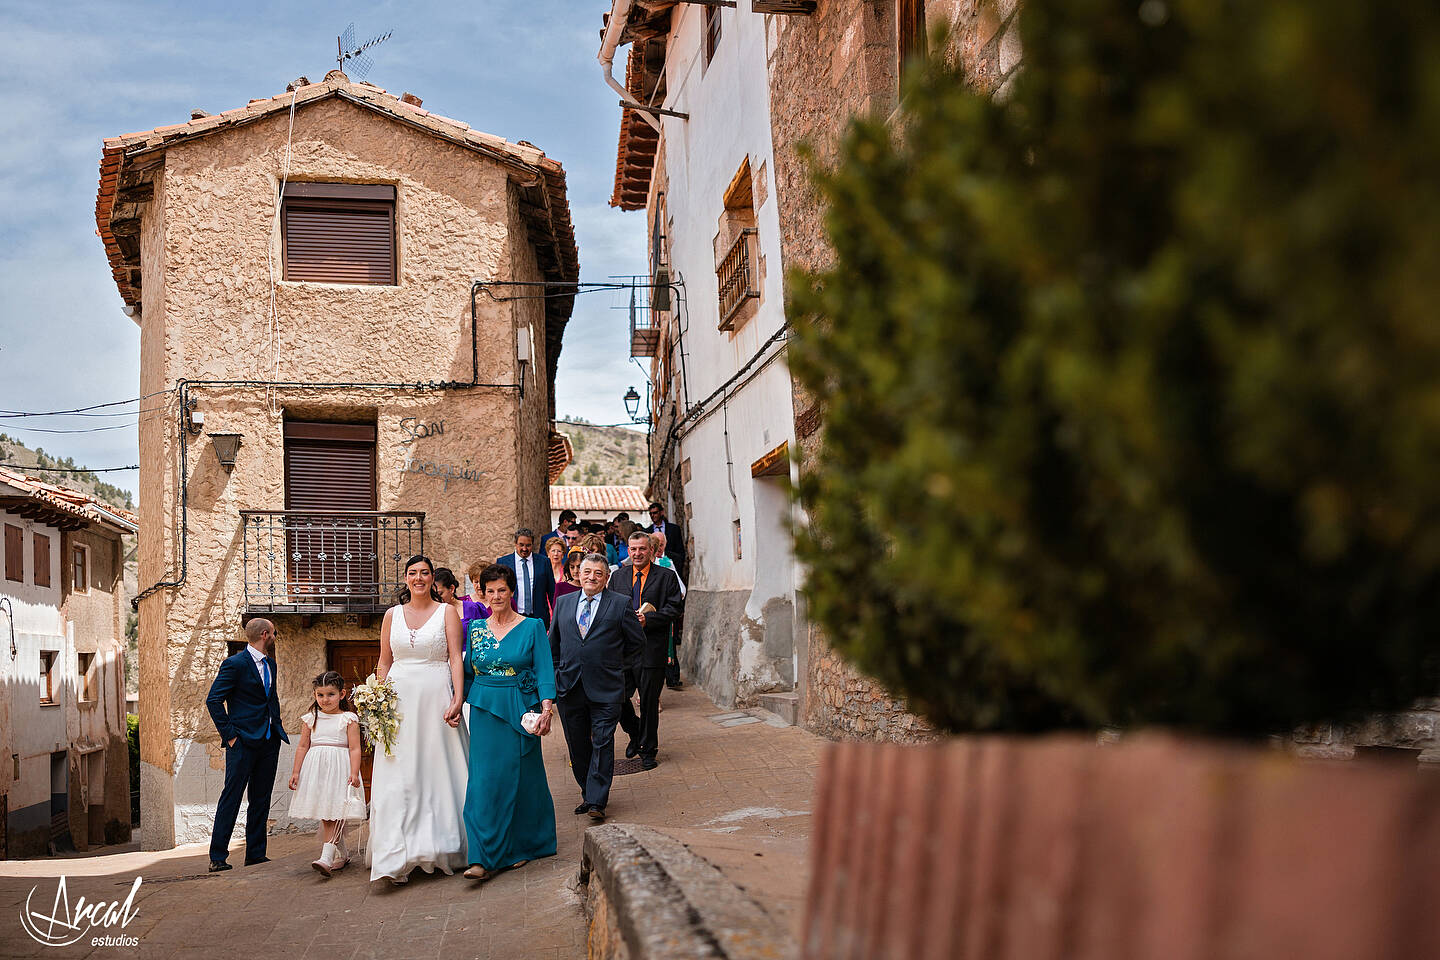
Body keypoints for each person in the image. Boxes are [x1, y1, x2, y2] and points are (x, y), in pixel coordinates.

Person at [369, 555, 470, 884]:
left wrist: (458, 697)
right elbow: (384, 662)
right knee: (401, 773)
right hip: (398, 705)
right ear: (406, 578)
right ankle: (397, 852)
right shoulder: (391, 615)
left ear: (433, 580)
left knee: (437, 770)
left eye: (425, 573)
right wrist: (376, 700)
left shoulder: (448, 613)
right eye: (413, 573)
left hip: (436, 698)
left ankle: (441, 846)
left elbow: (456, 656)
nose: (419, 578)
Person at [461, 564, 557, 881]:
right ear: (483, 594)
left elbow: (544, 669)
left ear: (511, 591)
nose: (497, 595)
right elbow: (466, 673)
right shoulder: (474, 629)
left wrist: (546, 707)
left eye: (502, 589)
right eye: (491, 591)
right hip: (485, 710)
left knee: (521, 778)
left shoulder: (532, 627)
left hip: (520, 709)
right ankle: (481, 856)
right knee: (483, 781)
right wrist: (453, 703)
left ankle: (522, 846)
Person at [549, 554, 644, 819]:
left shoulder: (620, 604)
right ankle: (587, 791)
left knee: (602, 741)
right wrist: (558, 673)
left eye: (598, 573)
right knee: (577, 745)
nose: (591, 577)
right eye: (586, 572)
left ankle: (597, 801)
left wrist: (618, 671)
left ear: (606, 578)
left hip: (607, 688)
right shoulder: (563, 603)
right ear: (578, 574)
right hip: (570, 686)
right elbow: (553, 644)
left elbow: (636, 644)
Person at [206, 618, 289, 872]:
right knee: (231, 798)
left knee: (261, 798)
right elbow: (213, 700)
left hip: (268, 740)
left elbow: (269, 699)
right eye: (273, 633)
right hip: (241, 743)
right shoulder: (234, 664)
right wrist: (231, 736)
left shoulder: (271, 664)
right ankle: (217, 857)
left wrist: (276, 727)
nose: (275, 636)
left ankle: (255, 853)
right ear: (265, 635)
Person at [611, 532, 684, 770]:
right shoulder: (618, 577)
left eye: (642, 549)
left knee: (649, 702)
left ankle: (648, 749)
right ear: (628, 550)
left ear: (651, 551)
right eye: (633, 549)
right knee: (618, 697)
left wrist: (648, 619)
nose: (637, 554)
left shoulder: (666, 576)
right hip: (623, 650)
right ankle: (635, 731)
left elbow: (675, 608)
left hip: (652, 649)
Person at [287, 670, 366, 877]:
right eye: (320, 695)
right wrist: (296, 771)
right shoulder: (311, 718)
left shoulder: (348, 719)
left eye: (330, 694)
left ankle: (326, 857)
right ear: (315, 695)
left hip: (340, 768)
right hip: (317, 769)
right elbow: (303, 746)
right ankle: (342, 854)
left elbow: (354, 748)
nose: (325, 699)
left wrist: (355, 772)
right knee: (326, 811)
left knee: (336, 810)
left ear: (342, 694)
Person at [650, 531, 686, 690]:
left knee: (669, 645)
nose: (658, 548)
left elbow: (680, 586)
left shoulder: (668, 561)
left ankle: (672, 677)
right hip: (649, 612)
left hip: (665, 611)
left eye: (661, 544)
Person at [497, 529, 554, 626]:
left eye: (528, 545)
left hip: (538, 617)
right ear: (515, 544)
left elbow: (552, 591)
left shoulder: (544, 562)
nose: (524, 548)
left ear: (532, 544)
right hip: (512, 616)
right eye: (521, 545)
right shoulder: (503, 562)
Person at [645, 502, 685, 571]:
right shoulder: (647, 531)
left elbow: (680, 549)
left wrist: (678, 562)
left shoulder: (674, 529)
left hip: (673, 565)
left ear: (662, 512)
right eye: (650, 513)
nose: (652, 515)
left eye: (655, 513)